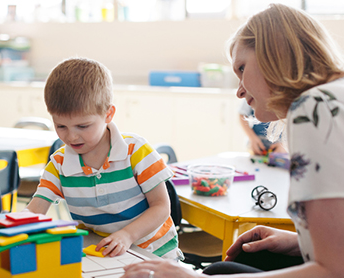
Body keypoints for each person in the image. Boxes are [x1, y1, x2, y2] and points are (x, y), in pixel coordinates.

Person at [121, 3, 344, 277]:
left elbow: (333, 271)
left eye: (241, 68)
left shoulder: (312, 107)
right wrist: (298, 243)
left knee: (217, 272)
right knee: (242, 262)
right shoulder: (334, 97)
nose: (239, 92)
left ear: (274, 54)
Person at [24, 57, 183, 260]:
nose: (71, 137)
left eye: (83, 126)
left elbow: (161, 206)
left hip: (155, 253)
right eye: (61, 126)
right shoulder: (59, 164)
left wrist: (127, 235)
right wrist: (11, 226)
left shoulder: (136, 151)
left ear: (108, 114)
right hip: (102, 254)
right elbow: (36, 208)